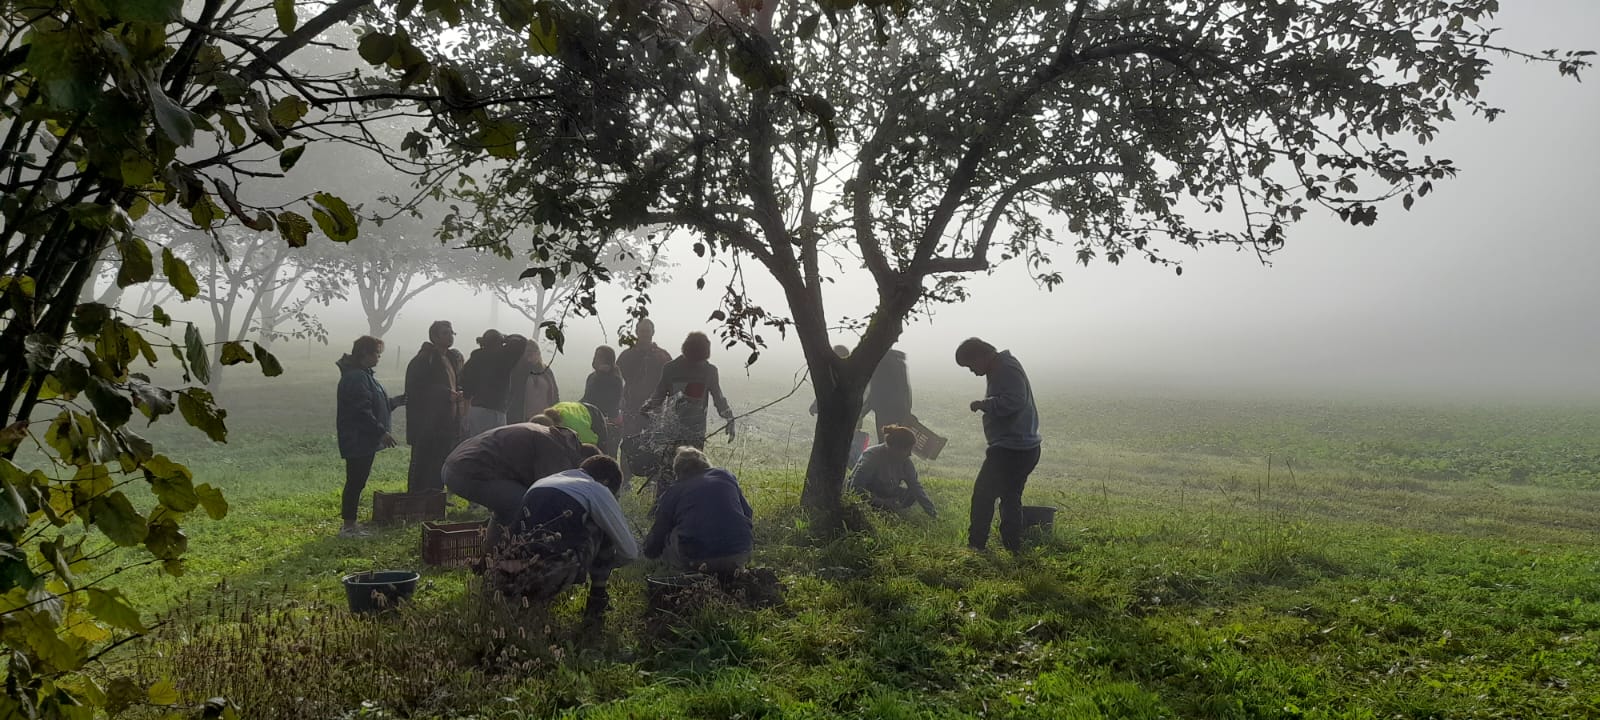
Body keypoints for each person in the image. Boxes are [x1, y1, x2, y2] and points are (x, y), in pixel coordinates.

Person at [490, 455, 639, 622]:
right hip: (548, 573)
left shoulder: (542, 482)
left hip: (505, 574)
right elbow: (630, 552)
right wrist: (609, 561)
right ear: (605, 482)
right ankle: (598, 599)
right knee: (603, 527)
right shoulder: (596, 488)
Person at [956, 337, 1041, 554]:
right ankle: (1013, 547)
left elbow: (1015, 400)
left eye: (970, 365)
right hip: (1024, 447)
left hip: (1011, 448)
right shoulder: (1003, 366)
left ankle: (976, 546)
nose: (973, 372)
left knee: (983, 495)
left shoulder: (1005, 369)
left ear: (980, 356)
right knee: (1011, 496)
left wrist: (985, 405)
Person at [441, 421, 591, 541]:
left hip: (455, 464)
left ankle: (490, 557)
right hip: (465, 471)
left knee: (508, 507)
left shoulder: (550, 435)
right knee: (522, 505)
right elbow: (545, 495)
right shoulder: (556, 450)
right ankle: (509, 559)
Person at [642, 447, 753, 574]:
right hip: (739, 554)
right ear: (706, 464)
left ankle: (681, 572)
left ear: (678, 471)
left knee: (670, 533)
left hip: (698, 559)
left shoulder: (674, 490)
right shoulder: (725, 476)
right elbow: (748, 513)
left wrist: (648, 552)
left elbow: (660, 530)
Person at [334, 336, 404, 537]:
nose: (378, 357)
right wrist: (381, 432)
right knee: (356, 481)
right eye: (376, 353)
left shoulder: (364, 375)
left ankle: (350, 523)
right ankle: (348, 526)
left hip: (363, 438)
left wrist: (395, 402)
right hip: (358, 438)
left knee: (358, 480)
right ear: (364, 354)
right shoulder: (356, 377)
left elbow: (374, 403)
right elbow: (361, 410)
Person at [643, 331, 735, 449]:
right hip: (672, 431)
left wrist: (729, 417)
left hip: (696, 433)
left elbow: (719, 399)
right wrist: (646, 410)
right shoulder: (670, 368)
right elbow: (658, 397)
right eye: (692, 361)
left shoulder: (709, 370)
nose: (695, 365)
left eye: (699, 362)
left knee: (694, 465)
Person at [404, 321, 464, 493]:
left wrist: (459, 392)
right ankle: (415, 498)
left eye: (452, 332)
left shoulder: (452, 358)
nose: (450, 336)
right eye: (445, 333)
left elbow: (456, 382)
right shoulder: (424, 360)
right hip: (426, 422)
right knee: (422, 462)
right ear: (435, 337)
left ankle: (435, 498)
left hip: (447, 420)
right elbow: (416, 389)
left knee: (440, 461)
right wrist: (446, 394)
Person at [848, 425, 936, 518]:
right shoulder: (872, 456)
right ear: (895, 447)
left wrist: (931, 510)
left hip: (887, 493)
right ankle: (882, 509)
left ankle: (892, 509)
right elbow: (855, 487)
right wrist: (881, 502)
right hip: (869, 493)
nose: (910, 454)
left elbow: (915, 486)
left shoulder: (905, 462)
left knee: (912, 494)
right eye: (907, 450)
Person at [460, 331, 524, 438]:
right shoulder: (504, 358)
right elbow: (521, 341)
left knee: (477, 445)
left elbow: (466, 384)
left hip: (478, 408)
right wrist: (505, 338)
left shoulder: (475, 358)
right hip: (498, 409)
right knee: (495, 446)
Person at [616, 318, 672, 441]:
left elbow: (672, 381)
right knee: (629, 442)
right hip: (631, 405)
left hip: (655, 407)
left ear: (653, 332)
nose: (644, 334)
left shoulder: (662, 356)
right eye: (642, 331)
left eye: (647, 331)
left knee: (653, 443)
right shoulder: (627, 354)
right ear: (636, 332)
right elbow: (616, 378)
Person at [581, 345, 625, 456]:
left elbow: (611, 403)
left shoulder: (615, 379)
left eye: (600, 357)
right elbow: (587, 397)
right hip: (592, 421)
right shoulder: (592, 377)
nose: (596, 359)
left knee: (608, 455)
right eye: (596, 356)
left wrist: (601, 375)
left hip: (609, 424)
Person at [865, 348, 914, 440]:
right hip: (899, 409)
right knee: (898, 441)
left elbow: (874, 390)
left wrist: (863, 411)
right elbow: (906, 389)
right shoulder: (899, 362)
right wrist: (907, 410)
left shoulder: (878, 363)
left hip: (883, 409)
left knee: (885, 440)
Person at [508, 342, 559, 423]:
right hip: (523, 418)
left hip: (545, 419)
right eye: (528, 351)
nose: (531, 354)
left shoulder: (546, 371)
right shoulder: (518, 371)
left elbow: (555, 393)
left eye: (533, 351)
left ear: (538, 353)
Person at [541, 401, 609, 449]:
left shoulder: (576, 427)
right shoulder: (547, 415)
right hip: (572, 408)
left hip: (593, 414)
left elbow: (592, 443)